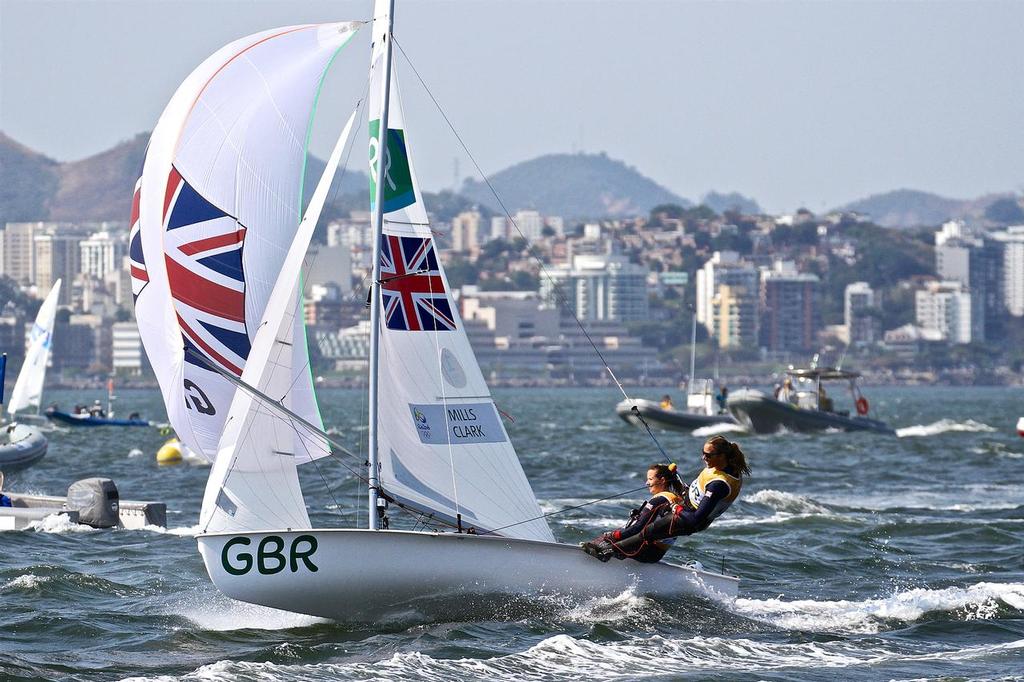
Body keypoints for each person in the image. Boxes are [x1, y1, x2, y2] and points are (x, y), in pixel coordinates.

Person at [581, 436, 750, 563]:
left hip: (688, 519)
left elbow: (697, 518)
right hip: (686, 508)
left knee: (648, 532)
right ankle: (619, 549)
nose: (703, 458)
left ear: (722, 456)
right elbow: (698, 490)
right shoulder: (717, 466)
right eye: (703, 453)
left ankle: (608, 552)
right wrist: (681, 486)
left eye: (708, 455)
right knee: (647, 525)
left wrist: (677, 508)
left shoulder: (720, 485)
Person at [581, 462, 686, 563]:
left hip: (645, 550)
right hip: (656, 553)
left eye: (650, 479)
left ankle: (598, 559)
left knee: (607, 539)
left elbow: (639, 528)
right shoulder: (674, 499)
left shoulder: (659, 500)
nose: (647, 483)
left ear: (662, 480)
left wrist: (614, 535)